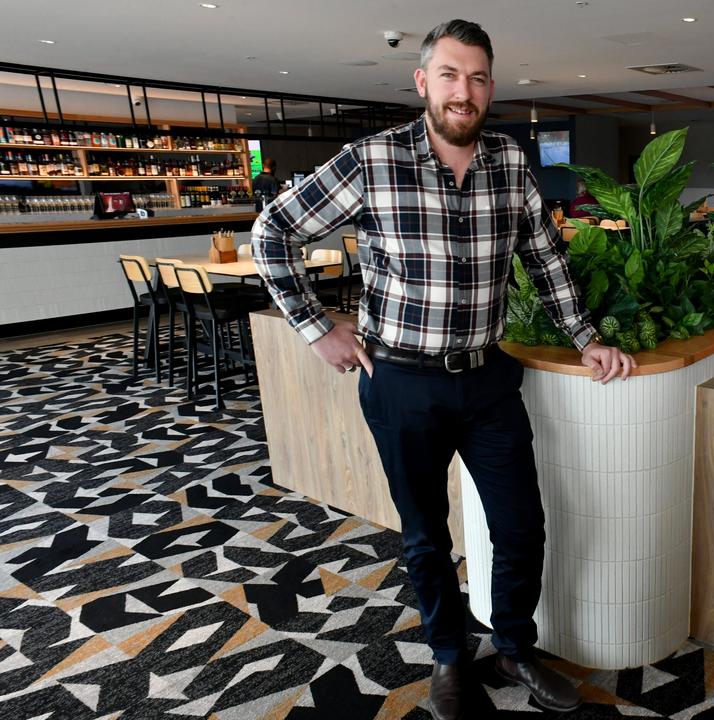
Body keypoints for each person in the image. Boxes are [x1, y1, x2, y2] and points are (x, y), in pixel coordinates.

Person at [251, 19, 635, 720]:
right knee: (426, 534)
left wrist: (585, 339)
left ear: (491, 88)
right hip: (401, 382)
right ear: (424, 81)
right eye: (452, 75)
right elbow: (271, 231)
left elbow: (546, 261)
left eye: (480, 77)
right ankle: (452, 659)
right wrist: (315, 328)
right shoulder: (372, 159)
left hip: (487, 379)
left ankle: (515, 646)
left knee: (521, 525)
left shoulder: (510, 164)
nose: (467, 91)